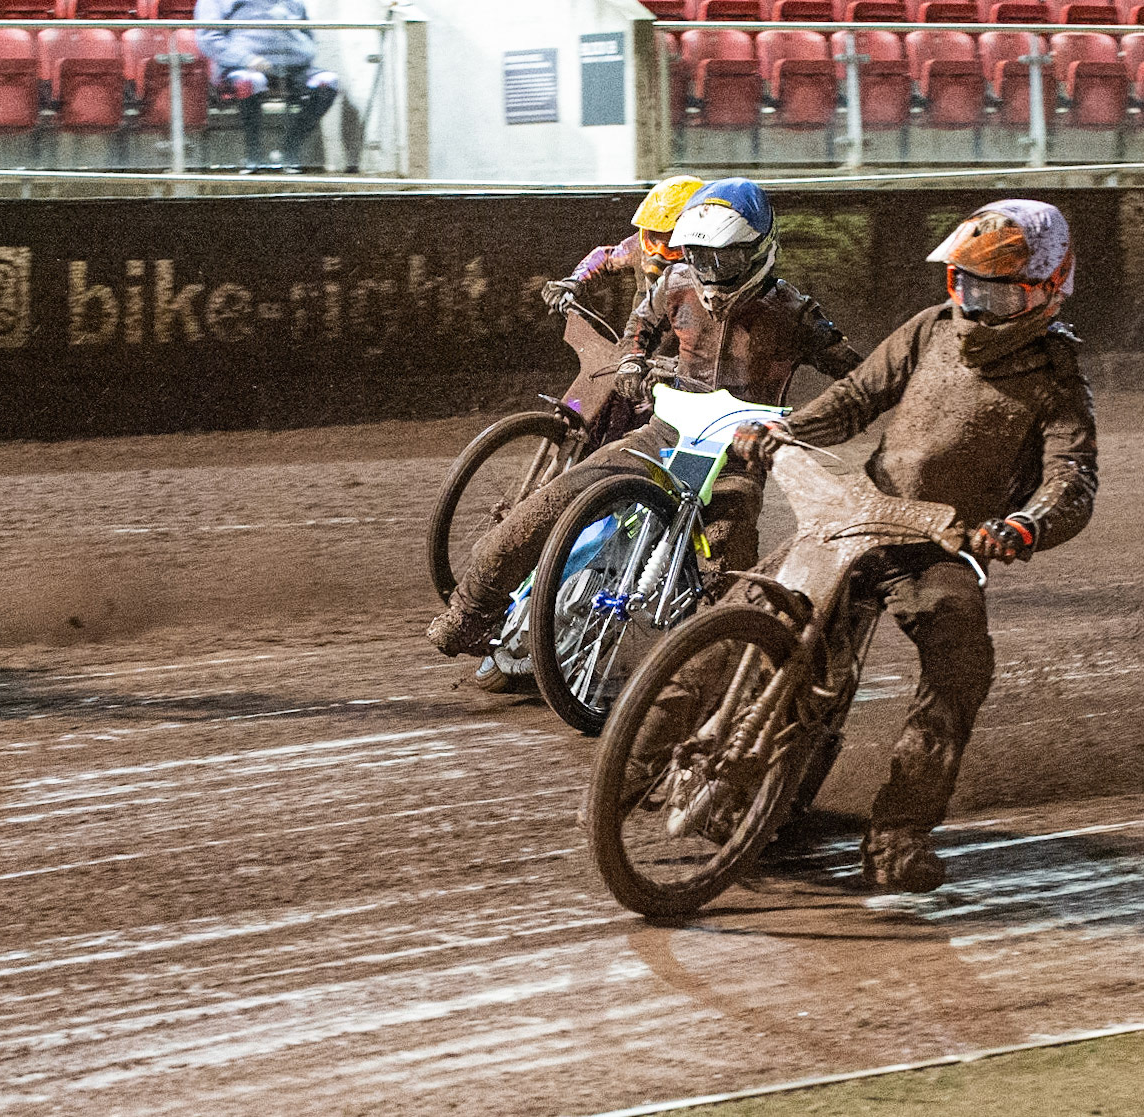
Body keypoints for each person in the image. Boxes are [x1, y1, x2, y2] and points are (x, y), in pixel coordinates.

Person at [732, 199, 1097, 892]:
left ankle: (897, 836)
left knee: (963, 661)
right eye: (965, 283)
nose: (975, 304)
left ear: (1049, 287)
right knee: (752, 608)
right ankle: (653, 765)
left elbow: (1071, 480)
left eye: (993, 289)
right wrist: (787, 430)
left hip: (943, 545)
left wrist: (1023, 525)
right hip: (861, 511)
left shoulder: (1057, 379)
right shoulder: (930, 330)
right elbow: (855, 398)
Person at [427, 178, 862, 658]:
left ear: (759, 250)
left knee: (723, 574)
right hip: (664, 432)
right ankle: (470, 612)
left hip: (736, 460)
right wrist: (633, 361)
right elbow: (640, 323)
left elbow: (857, 379)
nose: (711, 273)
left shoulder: (795, 313)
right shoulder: (676, 284)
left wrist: (806, 425)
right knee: (543, 508)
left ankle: (699, 678)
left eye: (725, 259)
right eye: (699, 258)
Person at [538, 174, 705, 331]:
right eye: (654, 236)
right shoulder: (638, 246)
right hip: (642, 336)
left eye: (671, 239)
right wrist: (575, 282)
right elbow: (606, 257)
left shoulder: (713, 259)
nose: (659, 252)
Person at [194, 0, 339, 171]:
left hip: (294, 67)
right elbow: (208, 38)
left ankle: (290, 149)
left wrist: (303, 53)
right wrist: (246, 59)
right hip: (242, 66)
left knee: (328, 81)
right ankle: (253, 156)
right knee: (251, 81)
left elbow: (306, 32)